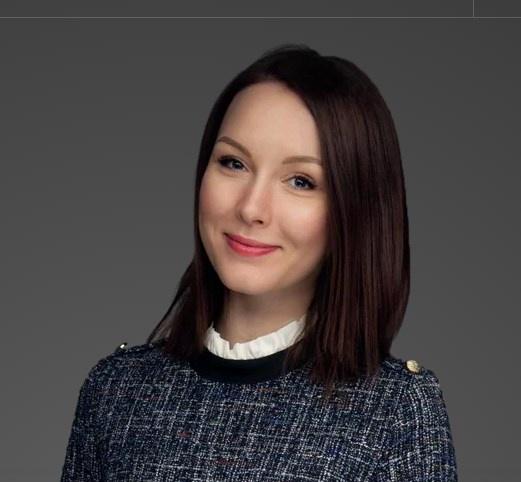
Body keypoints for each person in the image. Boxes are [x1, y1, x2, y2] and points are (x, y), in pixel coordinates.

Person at [60, 43, 458, 481]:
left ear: (356, 211)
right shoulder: (116, 392)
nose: (251, 208)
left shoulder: (395, 412)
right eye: (233, 162)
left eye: (301, 181)